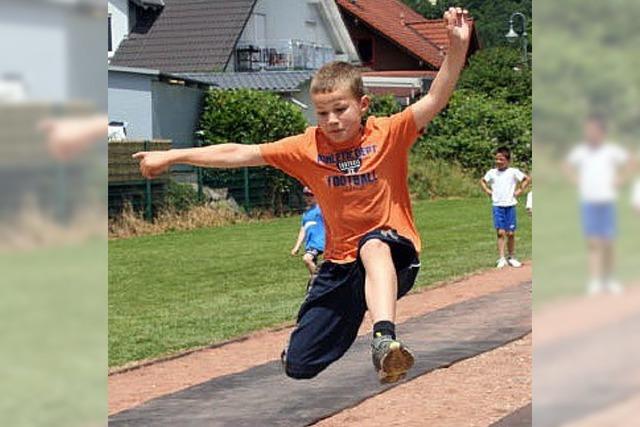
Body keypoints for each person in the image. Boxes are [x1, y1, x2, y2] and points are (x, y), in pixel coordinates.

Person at [132, 7, 471, 384]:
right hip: (341, 265)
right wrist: (173, 155)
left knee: (374, 246)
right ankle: (350, 314)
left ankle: (383, 340)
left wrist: (456, 49)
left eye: (340, 110)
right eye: (322, 113)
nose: (332, 121)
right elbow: (240, 152)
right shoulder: (306, 147)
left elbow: (436, 97)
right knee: (300, 364)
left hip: (395, 252)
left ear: (363, 105)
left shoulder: (389, 133)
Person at [564, 114, 632, 295]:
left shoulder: (611, 150)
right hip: (588, 201)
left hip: (607, 200)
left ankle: (610, 278)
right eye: (587, 130)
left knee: (609, 242)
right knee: (593, 242)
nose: (589, 133)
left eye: (592, 130)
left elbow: (631, 161)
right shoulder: (581, 151)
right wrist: (576, 180)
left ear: (601, 132)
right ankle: (594, 280)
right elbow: (567, 166)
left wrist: (621, 178)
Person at [480, 146, 531, 269]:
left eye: (501, 159)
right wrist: (487, 190)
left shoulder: (513, 172)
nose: (498, 162)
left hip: (510, 205)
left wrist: (520, 190)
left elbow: (526, 179)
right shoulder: (492, 173)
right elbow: (482, 181)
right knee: (501, 232)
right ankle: (501, 258)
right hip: (498, 205)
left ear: (507, 160)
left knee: (511, 233)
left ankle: (512, 257)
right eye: (497, 159)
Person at [290, 187, 325, 277]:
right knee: (311, 265)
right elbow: (303, 231)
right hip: (311, 244)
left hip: (320, 243)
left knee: (307, 259)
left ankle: (318, 279)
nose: (308, 198)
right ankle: (316, 282)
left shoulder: (322, 209)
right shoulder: (306, 214)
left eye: (311, 195)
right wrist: (297, 247)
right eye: (306, 195)